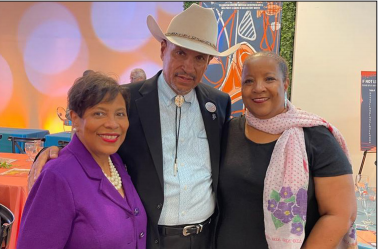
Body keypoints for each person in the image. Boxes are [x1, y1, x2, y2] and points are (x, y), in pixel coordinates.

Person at [28, 4, 241, 249]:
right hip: (148, 238)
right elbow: (96, 139)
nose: (188, 67)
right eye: (180, 53)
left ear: (209, 62)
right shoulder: (126, 99)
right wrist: (53, 153)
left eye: (199, 58)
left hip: (206, 237)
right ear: (163, 49)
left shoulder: (219, 103)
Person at [216, 51, 357, 249]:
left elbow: (341, 214)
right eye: (249, 81)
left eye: (269, 79)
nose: (258, 88)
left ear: (285, 84)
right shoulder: (228, 132)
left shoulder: (316, 137)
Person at [18, 72, 147, 249]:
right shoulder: (57, 177)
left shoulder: (116, 161)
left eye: (120, 114)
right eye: (99, 113)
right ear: (76, 119)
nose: (112, 124)